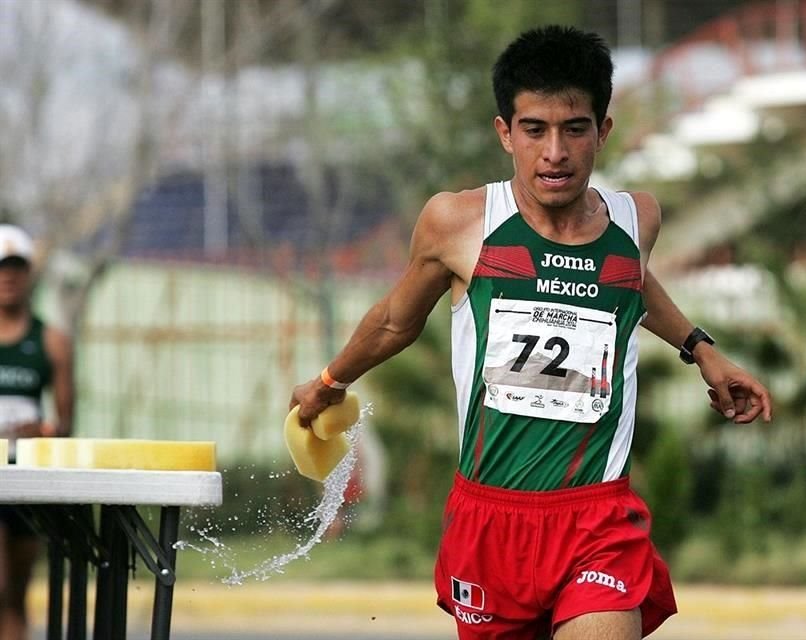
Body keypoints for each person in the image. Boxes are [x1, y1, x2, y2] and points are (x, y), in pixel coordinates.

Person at [290, 25, 772, 640]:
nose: (555, 153)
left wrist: (701, 350)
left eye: (574, 129)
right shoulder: (461, 224)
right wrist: (330, 381)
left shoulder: (636, 219)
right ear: (504, 133)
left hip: (597, 518)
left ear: (603, 131)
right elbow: (393, 320)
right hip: (491, 518)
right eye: (534, 130)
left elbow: (630, 282)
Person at [0, 224, 74, 640]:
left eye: (15, 267)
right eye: (0, 268)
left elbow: (65, 427)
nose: (7, 277)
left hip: (26, 479)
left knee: (14, 597)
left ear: (29, 274)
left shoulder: (52, 342)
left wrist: (42, 431)